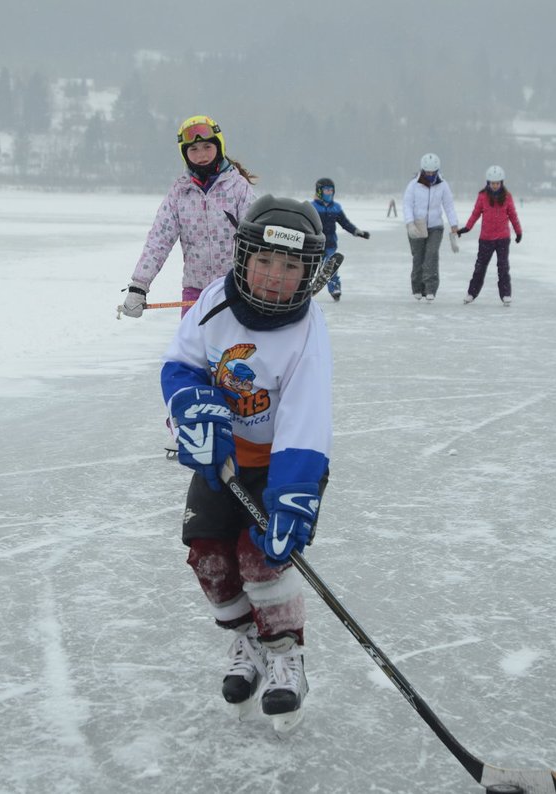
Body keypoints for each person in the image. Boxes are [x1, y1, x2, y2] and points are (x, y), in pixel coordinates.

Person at [160, 195, 333, 733]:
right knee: (209, 558)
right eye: (265, 261)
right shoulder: (213, 302)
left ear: (308, 272)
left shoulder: (307, 333)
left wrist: (293, 497)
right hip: (221, 459)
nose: (276, 276)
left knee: (261, 559)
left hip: (279, 466)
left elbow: (306, 422)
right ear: (243, 256)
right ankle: (248, 644)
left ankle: (285, 655)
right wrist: (190, 410)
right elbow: (180, 366)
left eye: (290, 266)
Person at [120, 115, 258, 319]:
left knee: (236, 351)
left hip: (235, 290)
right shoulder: (180, 192)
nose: (201, 154)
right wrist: (139, 286)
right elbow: (159, 240)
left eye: (207, 147)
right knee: (190, 351)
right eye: (193, 149)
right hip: (195, 293)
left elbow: (257, 238)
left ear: (219, 147)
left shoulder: (237, 187)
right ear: (185, 154)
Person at [459, 165, 523, 306]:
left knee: (503, 267)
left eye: (497, 183)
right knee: (480, 267)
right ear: (488, 183)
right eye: (492, 183)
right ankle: (471, 293)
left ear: (501, 183)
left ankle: (506, 294)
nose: (495, 186)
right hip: (486, 239)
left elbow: (513, 215)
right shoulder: (482, 196)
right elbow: (475, 214)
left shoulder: (507, 197)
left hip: (502, 238)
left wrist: (518, 231)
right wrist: (467, 228)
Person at [402, 153, 460, 301]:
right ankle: (417, 288)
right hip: (416, 225)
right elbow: (407, 205)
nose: (429, 175)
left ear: (437, 171)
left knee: (431, 255)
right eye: (427, 172)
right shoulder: (413, 185)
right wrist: (409, 223)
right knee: (418, 257)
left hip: (435, 226)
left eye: (432, 172)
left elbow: (449, 205)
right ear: (422, 170)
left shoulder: (443, 185)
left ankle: (430, 289)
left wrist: (454, 224)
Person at [311, 177, 370, 301]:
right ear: (319, 191)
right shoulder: (312, 207)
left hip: (331, 244)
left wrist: (357, 232)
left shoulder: (335, 207)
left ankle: (335, 289)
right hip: (315, 244)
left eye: (331, 190)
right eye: (326, 190)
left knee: (331, 266)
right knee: (311, 268)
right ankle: (304, 288)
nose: (329, 193)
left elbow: (345, 223)